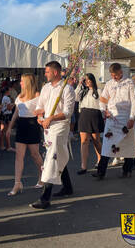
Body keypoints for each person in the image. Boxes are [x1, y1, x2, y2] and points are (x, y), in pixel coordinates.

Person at [30, 61, 75, 209]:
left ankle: (45, 197)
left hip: (60, 127)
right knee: (57, 155)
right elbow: (40, 106)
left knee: (51, 159)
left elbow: (68, 112)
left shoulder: (67, 89)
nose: (45, 74)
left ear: (55, 72)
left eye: (47, 71)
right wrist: (40, 116)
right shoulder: (46, 88)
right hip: (47, 128)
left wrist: (51, 118)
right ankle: (68, 187)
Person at [93, 63, 135, 179]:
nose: (114, 77)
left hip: (126, 118)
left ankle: (127, 170)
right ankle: (101, 172)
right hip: (112, 118)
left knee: (127, 145)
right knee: (107, 145)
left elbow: (134, 101)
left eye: (116, 75)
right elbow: (102, 99)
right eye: (112, 75)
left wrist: (132, 117)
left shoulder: (129, 83)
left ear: (121, 72)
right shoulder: (109, 84)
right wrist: (104, 110)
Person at [6, 73, 44, 196]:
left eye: (22, 81)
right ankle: (17, 183)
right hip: (21, 126)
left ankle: (42, 175)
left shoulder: (37, 95)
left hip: (32, 125)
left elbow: (41, 111)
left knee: (35, 154)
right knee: (19, 156)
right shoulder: (19, 96)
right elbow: (16, 113)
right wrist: (9, 128)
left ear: (27, 82)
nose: (20, 83)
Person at [75, 73, 103, 175]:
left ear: (92, 80)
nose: (87, 82)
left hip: (95, 115)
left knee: (96, 141)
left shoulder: (98, 91)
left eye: (88, 80)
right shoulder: (82, 91)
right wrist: (79, 84)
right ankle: (83, 166)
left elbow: (103, 104)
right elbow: (75, 97)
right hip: (84, 115)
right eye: (85, 80)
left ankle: (101, 160)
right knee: (84, 141)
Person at [0, 87, 15, 151]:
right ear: (7, 91)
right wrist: (14, 104)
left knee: (3, 131)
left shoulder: (3, 98)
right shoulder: (7, 98)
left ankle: (2, 145)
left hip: (3, 114)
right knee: (8, 130)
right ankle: (8, 146)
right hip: (8, 115)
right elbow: (9, 108)